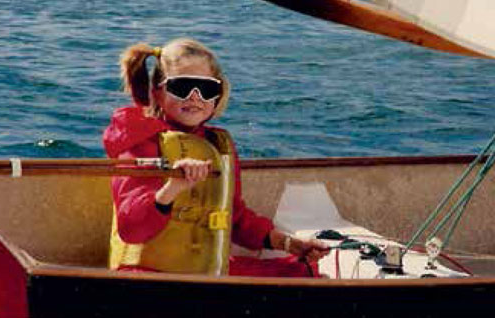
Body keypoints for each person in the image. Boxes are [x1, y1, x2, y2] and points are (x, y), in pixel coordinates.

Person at [103, 38, 329, 277]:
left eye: (207, 88)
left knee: (305, 273)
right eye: (182, 87)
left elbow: (235, 218)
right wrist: (173, 187)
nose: (195, 97)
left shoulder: (217, 144)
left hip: (205, 269)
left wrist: (288, 244)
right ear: (158, 93)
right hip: (146, 275)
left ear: (218, 95)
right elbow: (132, 228)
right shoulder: (139, 141)